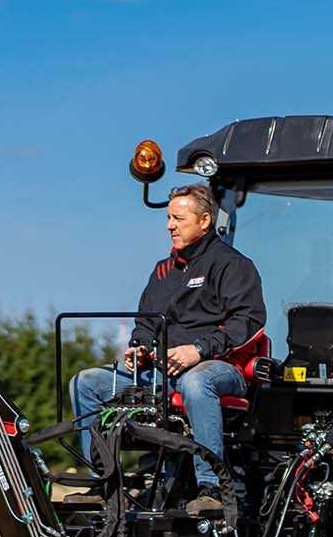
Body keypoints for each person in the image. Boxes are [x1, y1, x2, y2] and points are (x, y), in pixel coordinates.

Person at [69, 183, 266, 516]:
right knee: (85, 382)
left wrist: (199, 350)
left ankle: (210, 488)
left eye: (178, 218)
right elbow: (145, 325)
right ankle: (100, 483)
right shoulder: (163, 270)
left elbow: (247, 321)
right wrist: (140, 348)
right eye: (168, 217)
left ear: (204, 221)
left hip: (219, 369)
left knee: (196, 382)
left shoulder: (232, 265)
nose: (169, 225)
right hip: (161, 374)